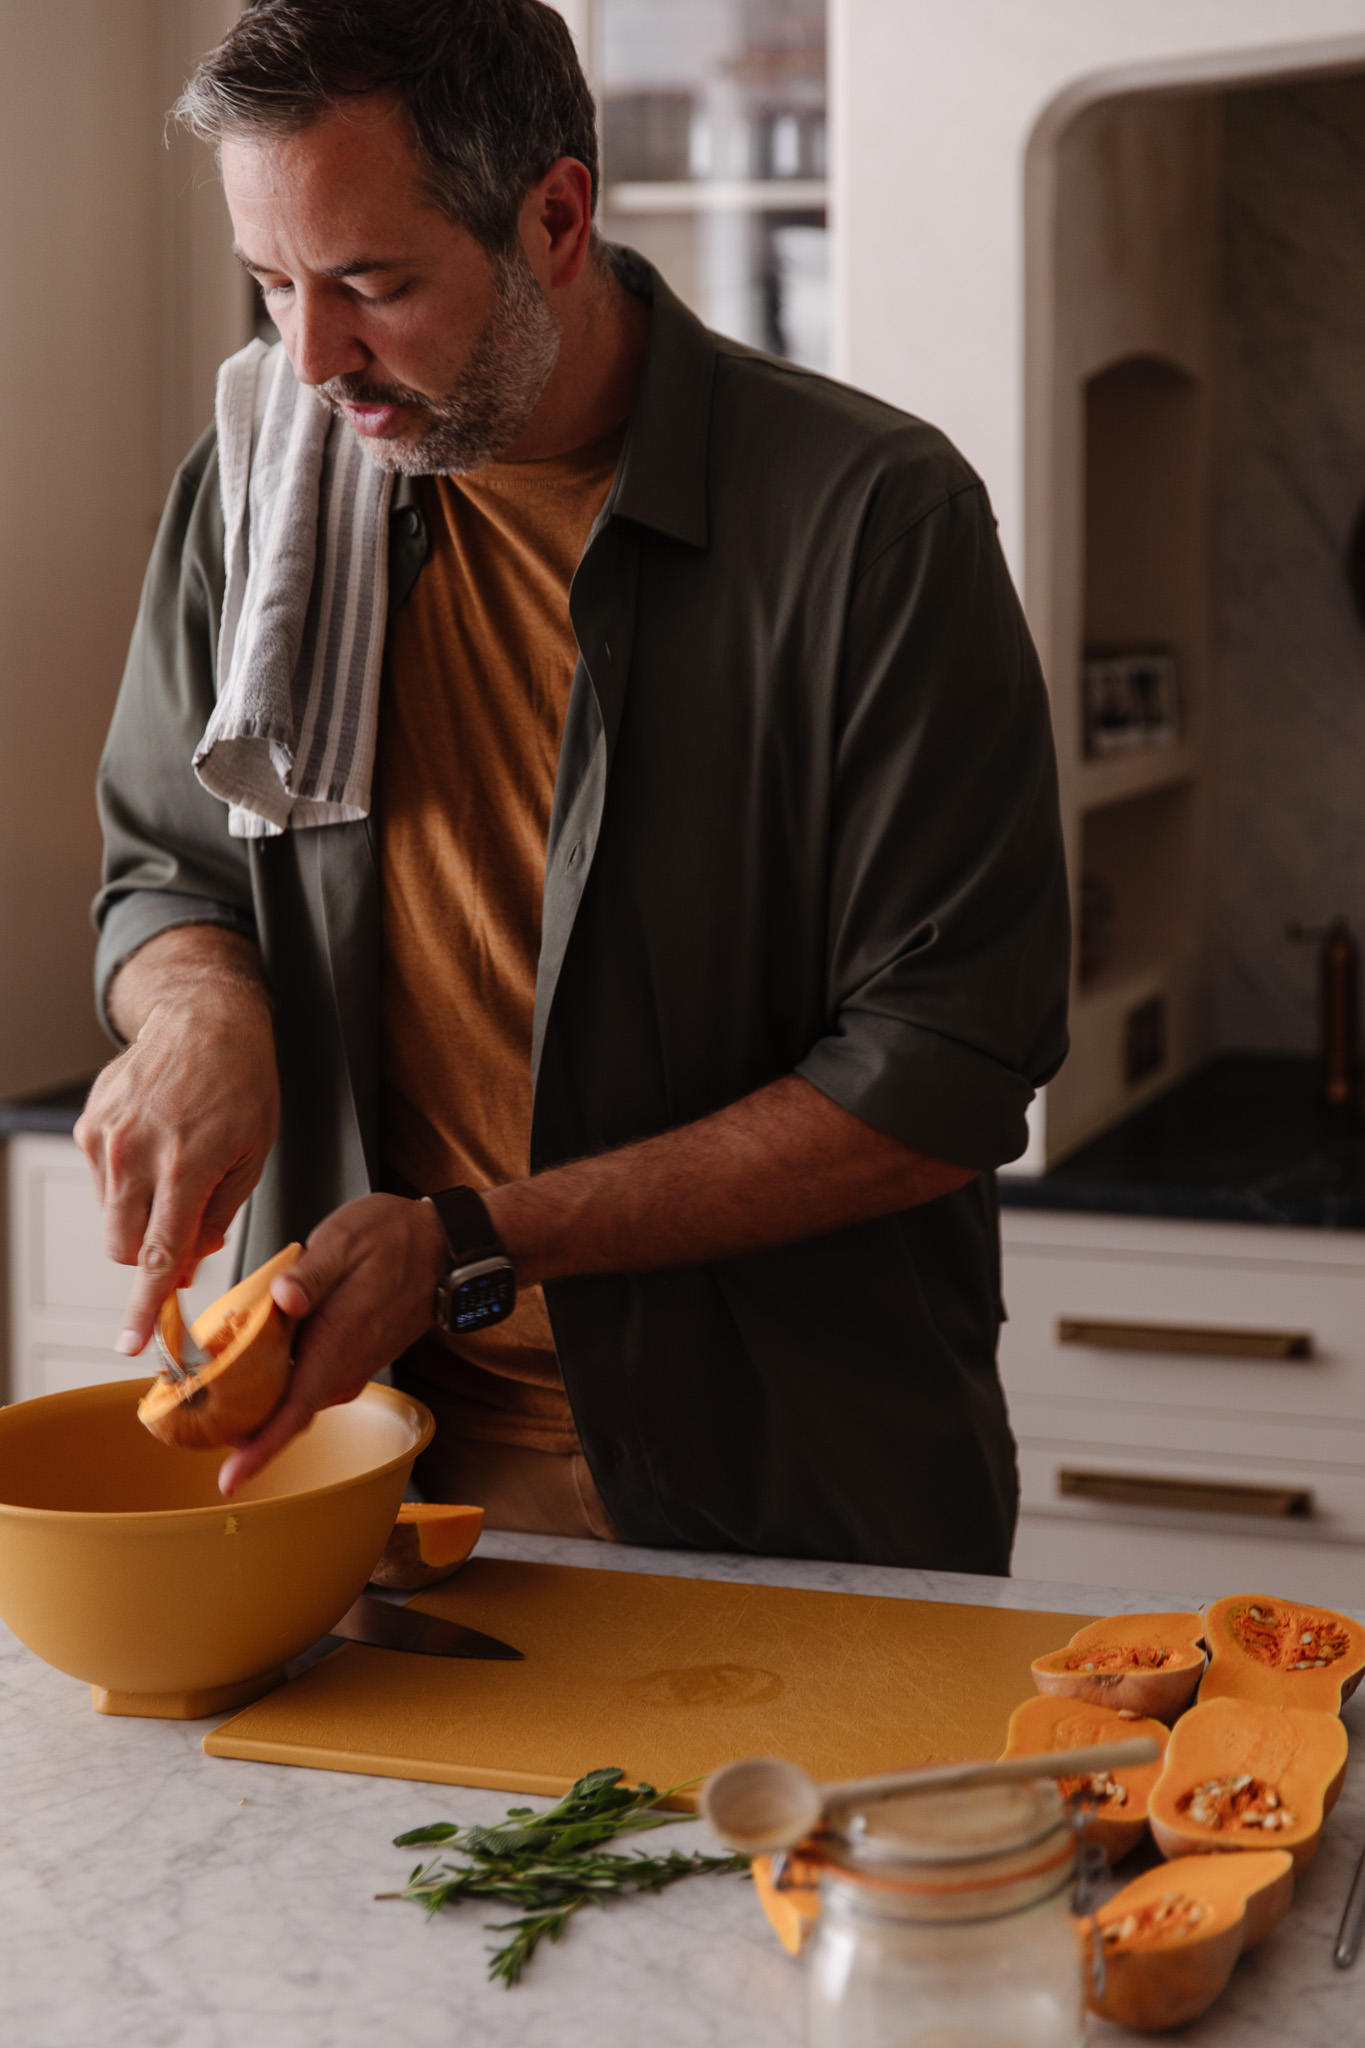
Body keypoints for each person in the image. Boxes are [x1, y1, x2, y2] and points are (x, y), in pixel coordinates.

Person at [77, 0, 1069, 1572]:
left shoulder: (873, 523)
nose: (310, 357)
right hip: (358, 1483)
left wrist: (469, 1245)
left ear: (553, 216)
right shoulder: (261, 481)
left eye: (372, 285)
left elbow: (939, 1078)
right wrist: (202, 1012)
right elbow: (168, 877)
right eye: (272, 285)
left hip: (790, 1493)